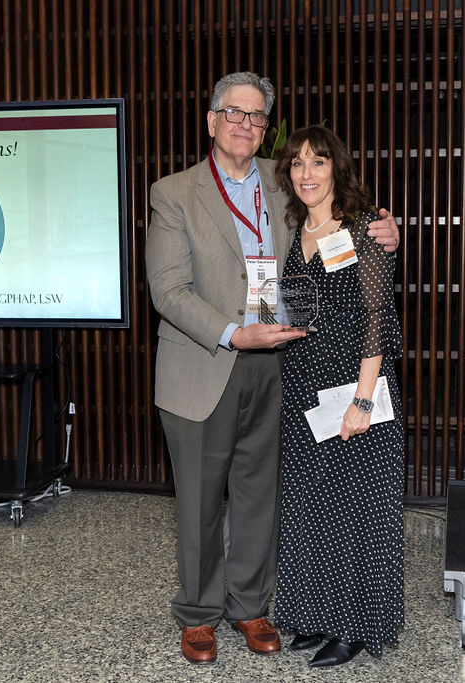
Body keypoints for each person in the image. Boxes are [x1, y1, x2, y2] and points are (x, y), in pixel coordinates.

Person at [144, 71, 400, 665]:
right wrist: (236, 333)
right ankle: (200, 614)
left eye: (257, 117)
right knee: (202, 500)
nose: (245, 124)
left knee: (260, 493)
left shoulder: (282, 183)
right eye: (234, 113)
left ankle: (250, 607)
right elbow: (167, 290)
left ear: (266, 129)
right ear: (211, 121)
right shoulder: (174, 192)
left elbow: (343, 227)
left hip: (278, 364)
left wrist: (387, 231)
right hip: (207, 363)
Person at [271, 126, 405, 668]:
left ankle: (354, 627)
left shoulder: (365, 227)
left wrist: (364, 400)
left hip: (354, 385)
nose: (307, 173)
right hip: (304, 385)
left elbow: (378, 317)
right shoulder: (295, 230)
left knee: (355, 512)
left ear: (336, 170)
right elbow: (289, 312)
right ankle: (317, 617)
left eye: (318, 162)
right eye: (298, 163)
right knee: (311, 508)